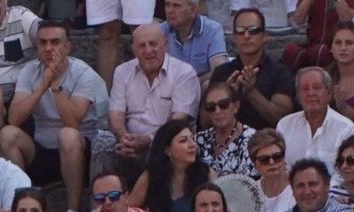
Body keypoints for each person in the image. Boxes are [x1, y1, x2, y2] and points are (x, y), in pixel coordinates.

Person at [0, 19, 104, 212]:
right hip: (42, 149)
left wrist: (55, 85)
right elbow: (14, 119)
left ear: (68, 47)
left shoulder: (83, 72)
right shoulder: (29, 71)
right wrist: (42, 85)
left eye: (55, 42)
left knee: (67, 134)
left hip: (78, 148)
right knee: (7, 134)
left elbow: (72, 122)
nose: (48, 48)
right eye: (43, 43)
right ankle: (22, 204)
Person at [108, 23, 201, 169]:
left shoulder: (184, 73)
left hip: (166, 142)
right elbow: (115, 114)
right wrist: (124, 138)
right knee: (101, 146)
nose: (148, 50)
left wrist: (150, 140)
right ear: (133, 49)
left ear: (165, 45)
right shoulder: (122, 71)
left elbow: (179, 119)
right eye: (142, 46)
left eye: (153, 44)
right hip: (129, 141)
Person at [209, 8, 294, 131]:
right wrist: (226, 97)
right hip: (229, 139)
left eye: (253, 30)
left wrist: (251, 92)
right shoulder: (221, 72)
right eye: (240, 31)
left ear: (264, 36)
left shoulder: (280, 72)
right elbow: (204, 121)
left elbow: (283, 119)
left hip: (265, 139)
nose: (246, 36)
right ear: (234, 37)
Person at [130, 118, 215, 212]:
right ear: (167, 150)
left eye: (193, 139)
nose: (192, 145)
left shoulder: (207, 174)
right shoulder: (150, 177)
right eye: (183, 141)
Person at [276, 66, 354, 170]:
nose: (311, 93)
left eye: (317, 87)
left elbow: (346, 172)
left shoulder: (345, 128)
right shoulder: (284, 125)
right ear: (298, 95)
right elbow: (278, 165)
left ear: (329, 92)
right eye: (305, 89)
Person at [196, 81, 255, 179]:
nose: (217, 111)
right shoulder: (199, 140)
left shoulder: (252, 140)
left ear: (236, 106)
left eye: (223, 104)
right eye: (211, 107)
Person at [162, 0, 227, 79]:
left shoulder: (212, 30)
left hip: (201, 84)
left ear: (192, 10)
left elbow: (219, 70)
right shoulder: (160, 31)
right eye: (167, 5)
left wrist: (191, 84)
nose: (169, 11)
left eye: (176, 6)